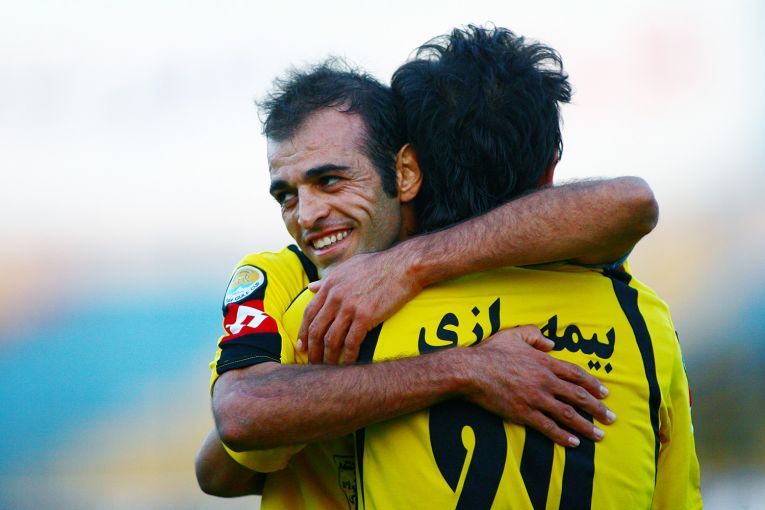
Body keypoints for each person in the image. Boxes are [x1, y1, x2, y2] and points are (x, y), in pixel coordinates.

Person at [198, 42, 662, 509]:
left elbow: (632, 202)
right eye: (285, 196)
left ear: (406, 172)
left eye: (330, 181)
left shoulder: (483, 262)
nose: (307, 215)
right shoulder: (284, 283)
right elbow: (229, 444)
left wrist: (407, 265)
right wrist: (464, 368)